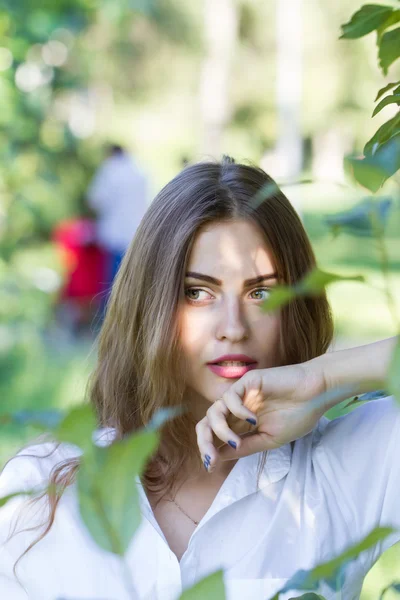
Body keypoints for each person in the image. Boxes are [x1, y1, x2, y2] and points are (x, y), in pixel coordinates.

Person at [0, 157, 399, 600]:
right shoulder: (40, 494)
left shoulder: (345, 467)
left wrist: (319, 381)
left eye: (260, 292)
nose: (233, 326)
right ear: (149, 304)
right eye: (198, 292)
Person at [87, 144, 149, 317]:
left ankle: (107, 316)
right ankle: (128, 314)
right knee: (130, 276)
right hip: (135, 233)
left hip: (114, 234)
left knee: (110, 278)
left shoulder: (109, 170)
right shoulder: (140, 171)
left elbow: (95, 199)